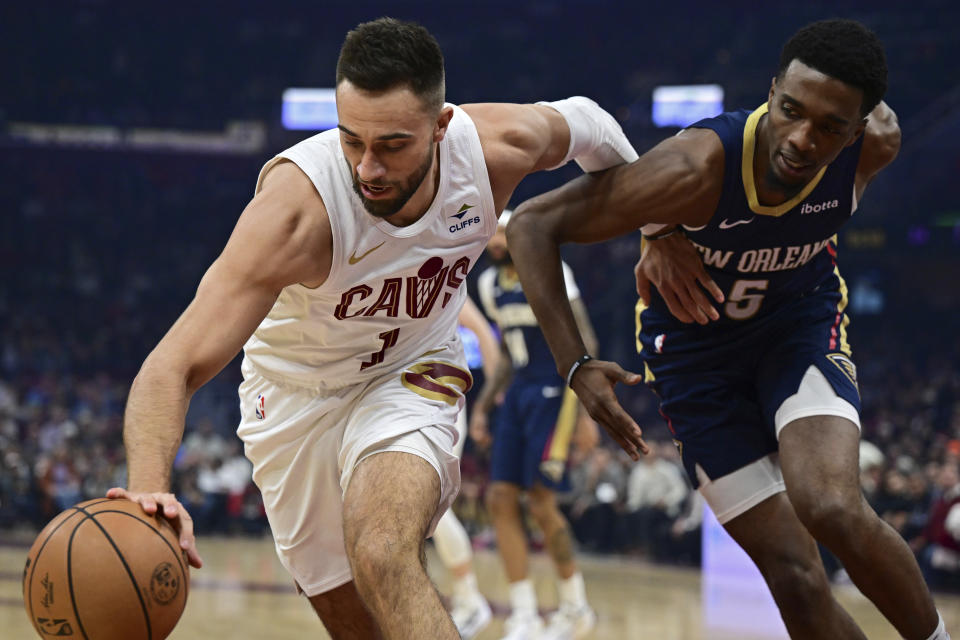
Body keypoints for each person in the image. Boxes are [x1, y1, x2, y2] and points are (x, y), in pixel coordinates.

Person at [104, 17, 639, 640]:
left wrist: (659, 230)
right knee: (355, 623)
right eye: (351, 139)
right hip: (292, 395)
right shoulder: (297, 212)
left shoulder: (494, 149)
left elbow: (591, 123)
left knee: (382, 549)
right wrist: (149, 493)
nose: (367, 167)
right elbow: (170, 365)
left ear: (441, 127)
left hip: (411, 371)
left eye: (392, 145)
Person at [506, 18, 950, 640]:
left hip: (798, 328)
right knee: (794, 578)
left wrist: (658, 230)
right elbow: (530, 225)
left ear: (859, 127)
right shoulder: (695, 168)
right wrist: (576, 362)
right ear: (771, 91)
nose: (801, 138)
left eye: (828, 127)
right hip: (696, 360)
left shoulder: (878, 144)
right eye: (790, 111)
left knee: (829, 505)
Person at [470, 211, 600, 640]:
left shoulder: (552, 268)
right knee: (501, 497)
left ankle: (576, 607)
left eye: (504, 233)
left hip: (557, 389)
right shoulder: (490, 287)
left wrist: (587, 412)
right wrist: (484, 407)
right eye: (492, 235)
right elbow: (507, 355)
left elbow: (586, 338)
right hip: (520, 391)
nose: (496, 241)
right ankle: (523, 612)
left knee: (542, 503)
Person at [433, 296, 499, 639]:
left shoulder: (439, 265)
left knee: (435, 506)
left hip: (441, 396)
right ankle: (464, 597)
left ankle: (470, 598)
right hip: (401, 397)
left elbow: (485, 336)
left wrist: (489, 403)